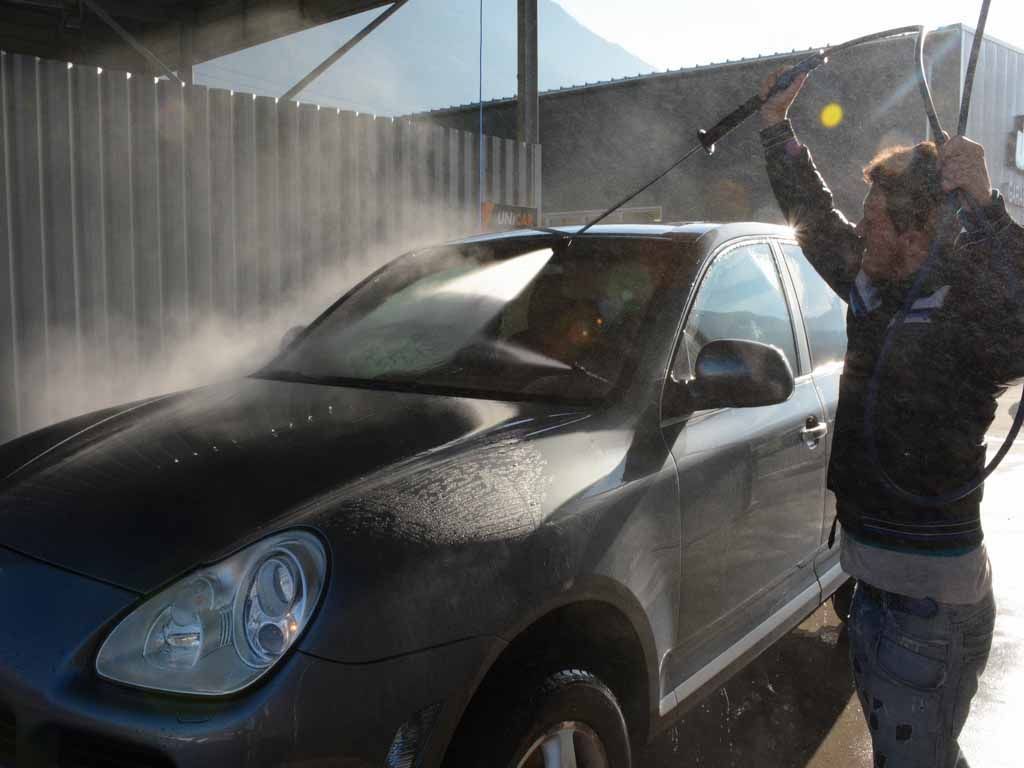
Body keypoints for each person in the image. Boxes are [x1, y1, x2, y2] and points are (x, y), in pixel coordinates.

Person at [759, 67, 1024, 767]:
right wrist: (776, 129)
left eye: (875, 220)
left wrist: (988, 207)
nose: (860, 228)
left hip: (926, 612)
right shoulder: (872, 287)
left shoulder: (966, 310)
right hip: (882, 589)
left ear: (919, 231)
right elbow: (815, 219)